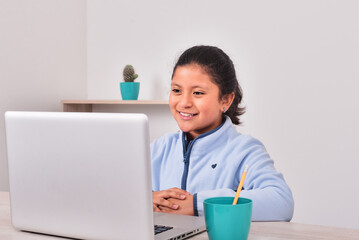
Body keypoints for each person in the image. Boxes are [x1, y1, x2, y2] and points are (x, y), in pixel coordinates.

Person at [151, 45, 294, 221]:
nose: (184, 102)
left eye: (198, 93)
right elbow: (115, 189)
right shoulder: (159, 148)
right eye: (176, 90)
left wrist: (197, 205)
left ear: (225, 100)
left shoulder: (245, 150)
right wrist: (147, 198)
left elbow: (281, 202)